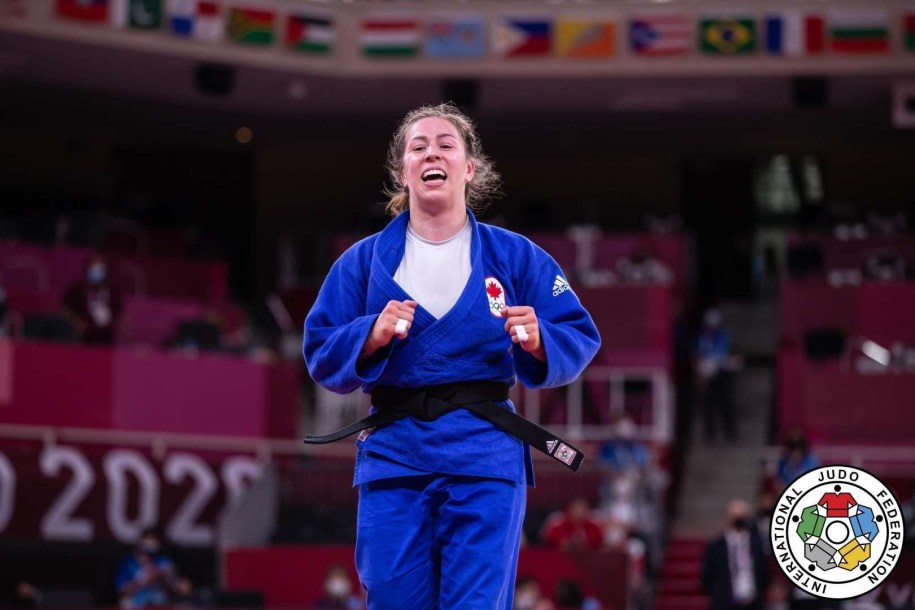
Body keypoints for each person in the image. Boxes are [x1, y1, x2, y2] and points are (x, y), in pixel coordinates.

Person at [303, 103, 600, 610]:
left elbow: (578, 333)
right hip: (395, 453)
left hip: (484, 455)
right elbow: (320, 349)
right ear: (403, 171)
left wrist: (539, 339)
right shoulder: (362, 261)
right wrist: (368, 335)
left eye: (445, 145)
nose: (431, 153)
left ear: (470, 168)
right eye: (418, 147)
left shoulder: (516, 256)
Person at [700, 500, 769, 610]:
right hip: (725, 603)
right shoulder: (716, 546)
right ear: (728, 517)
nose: (738, 520)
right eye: (735, 516)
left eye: (741, 517)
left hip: (753, 604)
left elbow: (764, 573)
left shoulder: (757, 544)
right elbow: (707, 577)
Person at [693, 307, 738, 442]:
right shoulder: (700, 336)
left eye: (714, 327)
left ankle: (730, 432)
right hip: (706, 375)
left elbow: (724, 352)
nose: (712, 329)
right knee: (707, 404)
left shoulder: (723, 335)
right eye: (710, 326)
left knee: (725, 403)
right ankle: (709, 433)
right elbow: (695, 355)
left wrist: (725, 363)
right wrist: (698, 376)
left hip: (720, 373)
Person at [62, 253, 122, 345]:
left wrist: (120, 323)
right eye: (94, 266)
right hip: (84, 337)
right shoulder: (77, 289)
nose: (97, 270)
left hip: (107, 338)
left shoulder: (112, 290)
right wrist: (75, 321)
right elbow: (65, 309)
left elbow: (119, 312)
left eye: (100, 266)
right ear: (88, 267)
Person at [115, 529, 179, 608]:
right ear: (140, 541)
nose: (151, 542)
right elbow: (122, 590)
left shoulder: (164, 561)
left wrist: (162, 577)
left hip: (160, 602)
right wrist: (143, 580)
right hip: (137, 602)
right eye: (148, 539)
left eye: (154, 539)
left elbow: (175, 588)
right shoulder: (128, 562)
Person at [541, 497, 605, 552]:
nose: (579, 515)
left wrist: (585, 544)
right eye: (576, 511)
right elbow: (548, 538)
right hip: (560, 557)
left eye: (583, 511)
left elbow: (597, 541)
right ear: (570, 510)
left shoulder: (593, 525)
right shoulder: (558, 523)